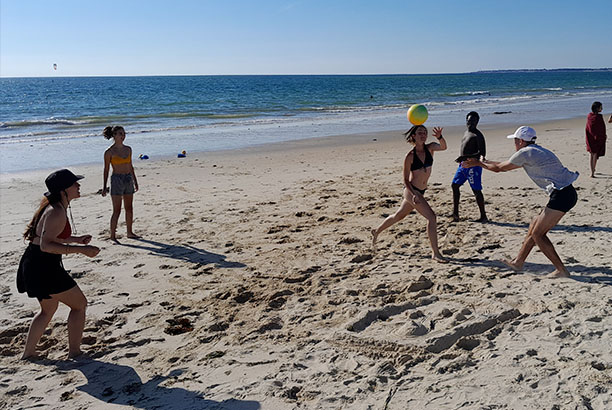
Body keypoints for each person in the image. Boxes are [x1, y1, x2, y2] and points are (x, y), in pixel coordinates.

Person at [463, 126, 579, 278]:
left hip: (562, 195)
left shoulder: (526, 152)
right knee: (534, 226)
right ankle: (518, 262)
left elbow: (499, 169)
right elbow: (505, 164)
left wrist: (479, 164)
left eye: (515, 140)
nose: (515, 143)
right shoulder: (536, 150)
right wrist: (484, 161)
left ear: (521, 141)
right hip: (565, 193)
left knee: (538, 234)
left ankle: (561, 270)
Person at [17, 169, 100, 359]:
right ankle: (75, 352)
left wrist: (77, 239)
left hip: (35, 263)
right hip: (43, 267)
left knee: (47, 310)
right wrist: (81, 250)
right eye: (74, 183)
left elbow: (51, 237)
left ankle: (29, 353)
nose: (78, 185)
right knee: (79, 305)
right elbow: (46, 245)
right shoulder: (56, 212)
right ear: (63, 190)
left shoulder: (54, 206)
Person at [371, 125, 448, 263]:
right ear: (413, 136)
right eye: (420, 133)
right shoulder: (410, 156)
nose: (423, 135)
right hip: (411, 191)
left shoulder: (430, 148)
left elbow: (443, 147)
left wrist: (440, 137)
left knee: (398, 216)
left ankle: (376, 231)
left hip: (420, 191)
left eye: (424, 133)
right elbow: (406, 180)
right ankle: (435, 253)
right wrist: (414, 194)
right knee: (431, 217)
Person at [102, 126, 139, 242]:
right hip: (116, 180)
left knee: (129, 208)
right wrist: (104, 187)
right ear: (114, 135)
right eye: (120, 134)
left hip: (128, 178)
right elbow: (106, 170)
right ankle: (112, 235)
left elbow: (130, 166)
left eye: (124, 133)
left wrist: (135, 181)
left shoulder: (128, 149)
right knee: (116, 210)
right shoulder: (109, 152)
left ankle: (130, 232)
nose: (123, 136)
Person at [451, 111, 488, 222]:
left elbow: (482, 153)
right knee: (454, 185)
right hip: (463, 165)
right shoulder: (466, 133)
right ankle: (455, 213)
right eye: (468, 121)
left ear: (477, 122)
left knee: (476, 190)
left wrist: (465, 157)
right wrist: (463, 159)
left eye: (473, 121)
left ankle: (483, 216)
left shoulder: (478, 135)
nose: (470, 123)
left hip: (473, 166)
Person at [585, 101, 607, 178]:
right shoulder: (598, 117)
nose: (602, 109)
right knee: (594, 154)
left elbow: (588, 128)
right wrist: (603, 136)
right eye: (601, 107)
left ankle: (593, 170)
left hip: (590, 137)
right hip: (596, 138)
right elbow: (601, 128)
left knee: (592, 154)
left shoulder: (589, 116)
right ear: (597, 108)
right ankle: (592, 173)